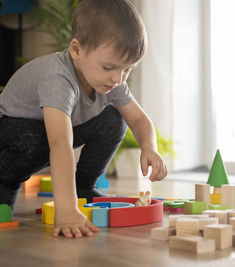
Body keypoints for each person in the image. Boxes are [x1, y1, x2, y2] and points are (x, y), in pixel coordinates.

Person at [0, 0, 167, 238]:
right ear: (77, 50)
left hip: (48, 132)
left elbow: (139, 120)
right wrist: (66, 210)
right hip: (10, 130)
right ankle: (5, 183)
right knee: (41, 142)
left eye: (127, 69)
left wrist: (150, 147)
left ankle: (84, 187)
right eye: (109, 67)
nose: (118, 78)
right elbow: (60, 142)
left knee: (113, 118)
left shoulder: (112, 80)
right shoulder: (58, 78)